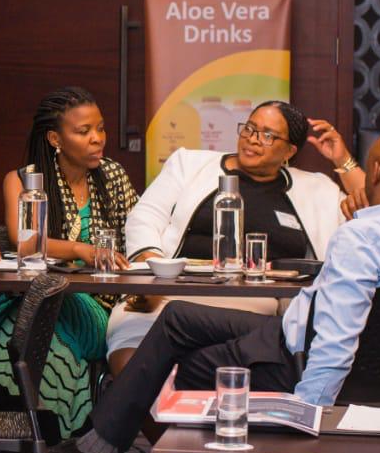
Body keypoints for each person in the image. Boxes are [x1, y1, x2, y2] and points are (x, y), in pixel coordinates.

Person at [45, 128, 380, 453]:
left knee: (189, 365)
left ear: (375, 170)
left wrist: (310, 419)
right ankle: (97, 445)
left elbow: (337, 341)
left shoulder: (360, 240)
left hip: (299, 358)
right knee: (177, 317)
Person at [107, 101, 364, 373]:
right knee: (132, 363)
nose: (253, 139)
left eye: (268, 135)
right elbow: (145, 215)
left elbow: (378, 211)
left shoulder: (316, 189)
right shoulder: (189, 164)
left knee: (240, 367)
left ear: (290, 151)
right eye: (249, 128)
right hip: (171, 294)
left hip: (255, 307)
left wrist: (343, 160)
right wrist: (154, 273)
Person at [0, 87, 140, 439]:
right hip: (33, 300)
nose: (97, 138)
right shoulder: (22, 180)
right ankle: (46, 440)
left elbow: (138, 234)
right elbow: (25, 241)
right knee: (34, 317)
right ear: (55, 138)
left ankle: (31, 437)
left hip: (96, 305)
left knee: (33, 324)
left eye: (100, 128)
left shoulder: (113, 176)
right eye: (84, 131)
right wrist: (80, 249)